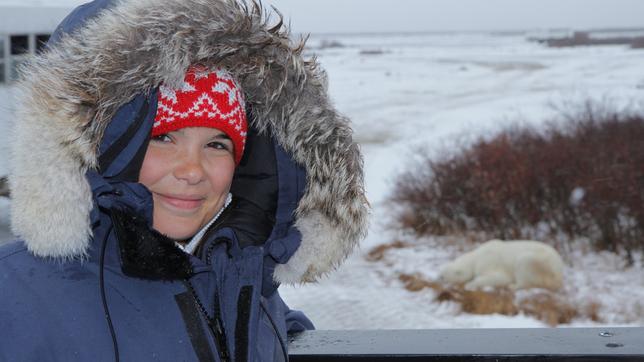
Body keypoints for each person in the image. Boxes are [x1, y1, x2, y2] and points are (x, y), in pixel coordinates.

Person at [0, 0, 368, 361]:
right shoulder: (13, 298)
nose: (193, 171)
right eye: (163, 138)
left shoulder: (237, 277)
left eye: (216, 144)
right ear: (94, 148)